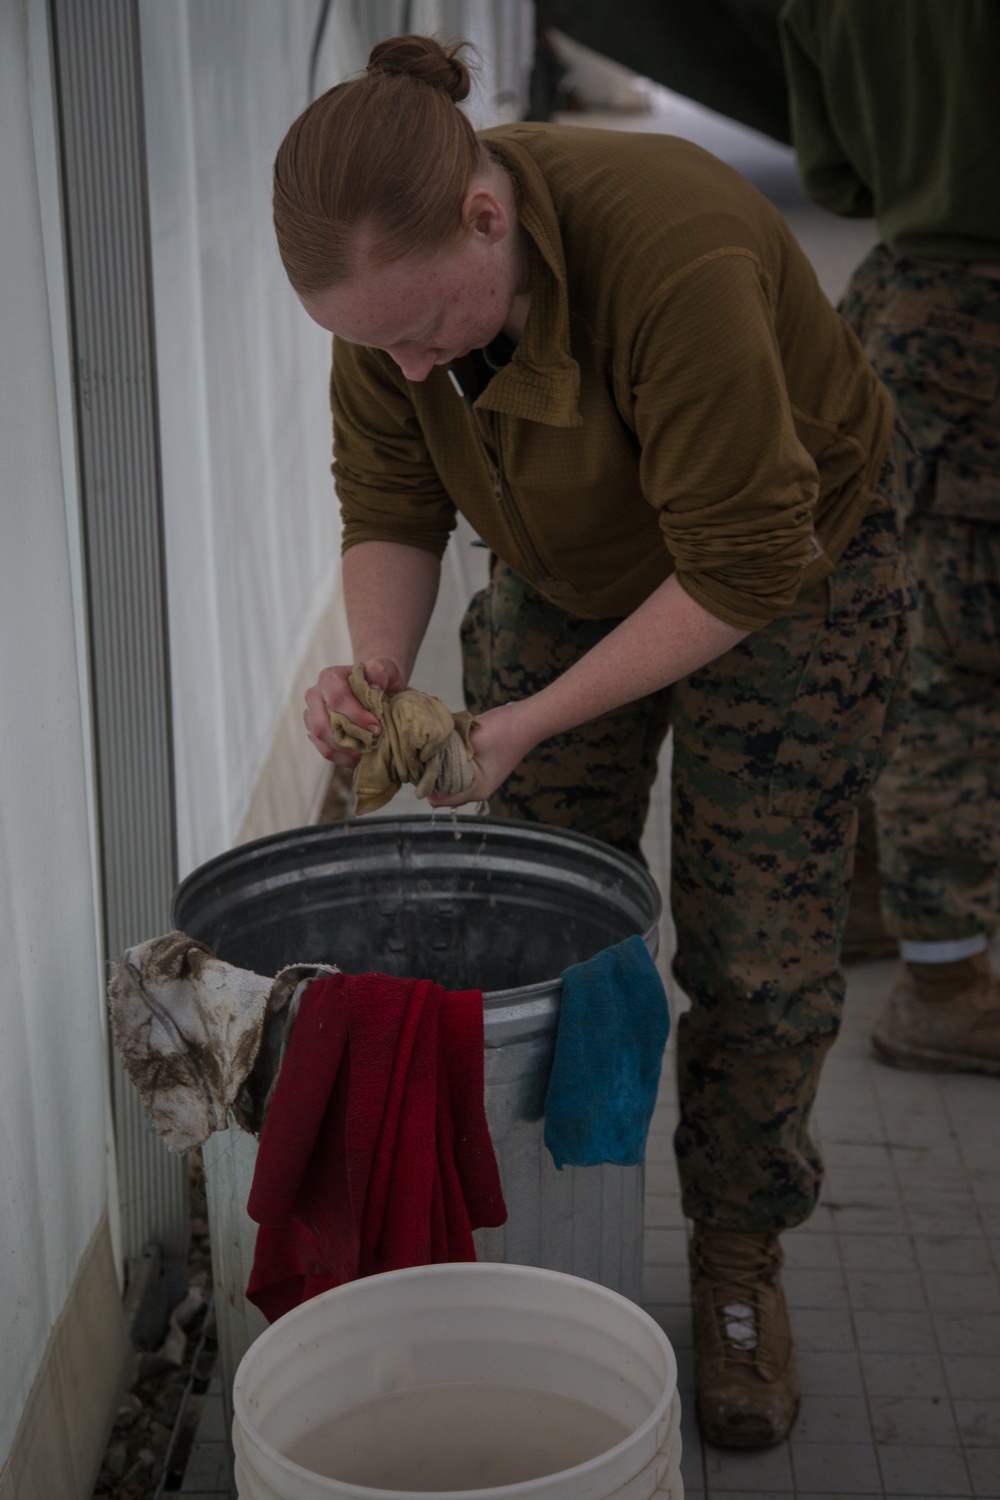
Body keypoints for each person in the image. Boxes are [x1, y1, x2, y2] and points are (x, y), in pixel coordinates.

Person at [273, 34, 911, 1446]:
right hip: (569, 570)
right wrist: (379, 671)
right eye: (375, 341)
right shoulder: (392, 309)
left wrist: (515, 726)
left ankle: (740, 1261)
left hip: (794, 568)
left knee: (754, 947)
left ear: (488, 216)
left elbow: (744, 563)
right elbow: (388, 494)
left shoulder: (667, 252)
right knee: (540, 917)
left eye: (429, 330)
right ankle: (552, 1216)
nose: (409, 361)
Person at [781, 0, 1000, 1076]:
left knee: (889, 615)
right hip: (981, 320)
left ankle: (865, 896)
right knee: (962, 674)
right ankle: (943, 983)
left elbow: (835, 177)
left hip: (901, 301)